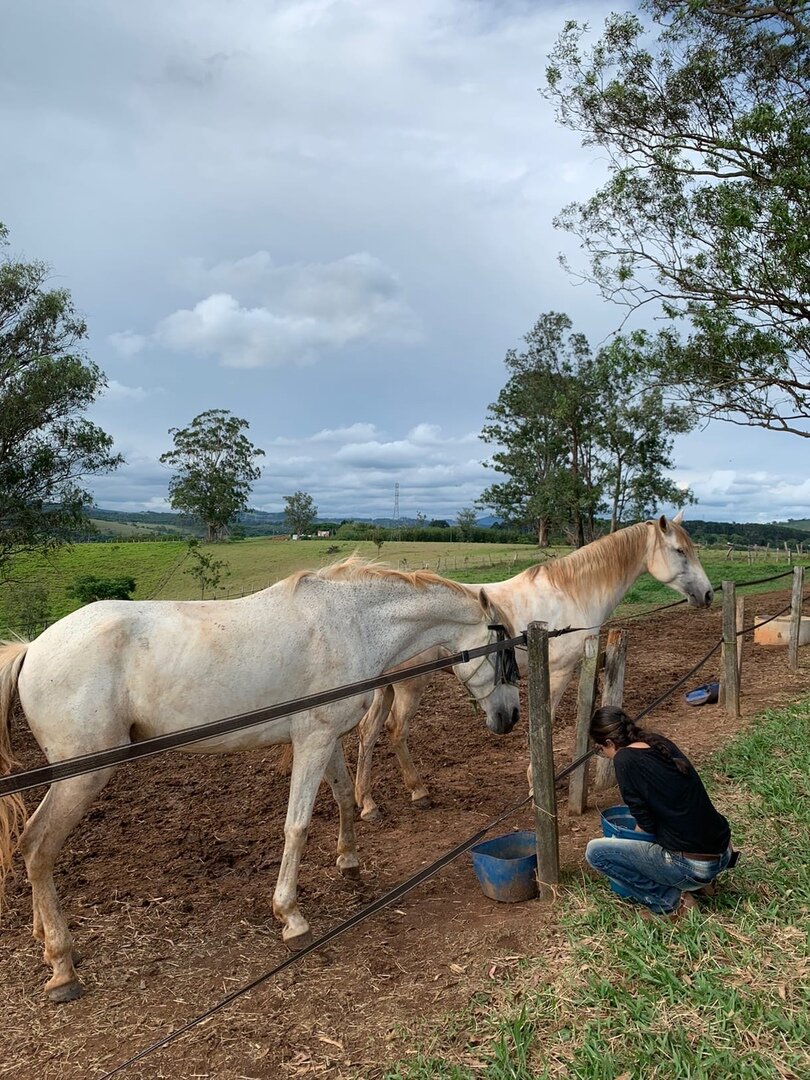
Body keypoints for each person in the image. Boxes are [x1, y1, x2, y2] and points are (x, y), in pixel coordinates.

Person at [585, 705, 733, 919]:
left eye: (601, 749)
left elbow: (645, 827)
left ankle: (671, 904)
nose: (604, 755)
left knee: (596, 852)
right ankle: (703, 884)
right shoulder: (657, 742)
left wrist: (627, 846)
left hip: (697, 865)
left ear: (609, 742)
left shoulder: (624, 760)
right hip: (723, 851)